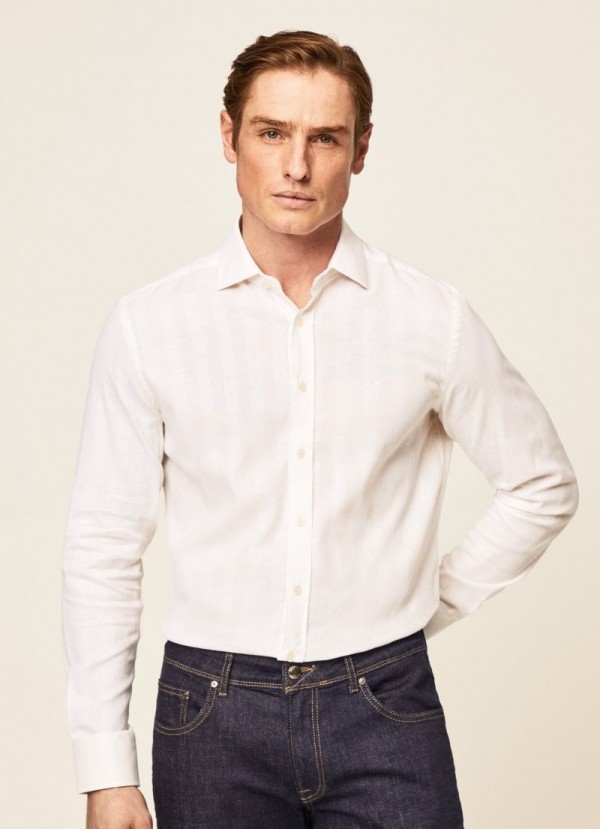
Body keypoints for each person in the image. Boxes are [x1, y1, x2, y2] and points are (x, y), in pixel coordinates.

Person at [62, 30, 578, 829]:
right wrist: (106, 769)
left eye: (325, 138)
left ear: (361, 150)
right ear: (229, 136)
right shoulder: (151, 326)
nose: (296, 166)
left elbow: (542, 482)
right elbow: (103, 544)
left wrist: (428, 600)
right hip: (211, 714)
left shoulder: (429, 318)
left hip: (385, 703)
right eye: (272, 133)